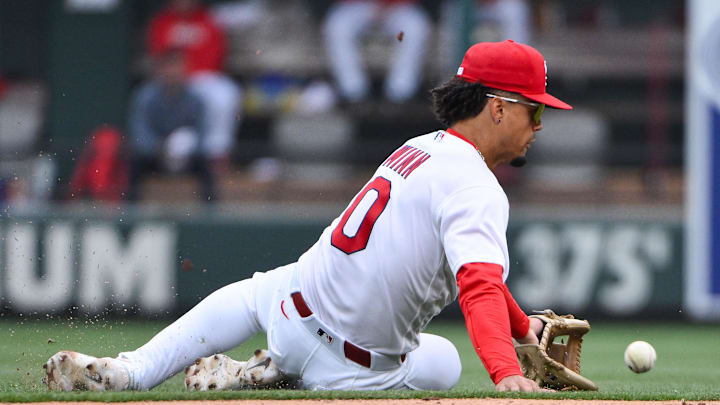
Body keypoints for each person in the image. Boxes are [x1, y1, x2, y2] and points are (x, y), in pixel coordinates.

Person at [43, 40, 572, 392]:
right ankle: (276, 376)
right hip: (351, 370)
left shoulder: (424, 147)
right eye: (535, 109)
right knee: (445, 366)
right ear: (498, 107)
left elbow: (475, 272)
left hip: (287, 301)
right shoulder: (477, 186)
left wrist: (523, 330)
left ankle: (136, 370)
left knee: (264, 293)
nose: (540, 123)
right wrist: (507, 374)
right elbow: (478, 284)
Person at [148, 0, 242, 175]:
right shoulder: (163, 21)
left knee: (225, 94)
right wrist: (176, 74)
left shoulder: (209, 19)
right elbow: (159, 55)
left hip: (202, 76)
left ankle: (217, 155)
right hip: (171, 79)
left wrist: (191, 72)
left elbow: (216, 54)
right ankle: (168, 161)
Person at [127, 49, 216, 202]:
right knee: (135, 163)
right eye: (168, 68)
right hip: (155, 155)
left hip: (187, 156)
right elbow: (140, 134)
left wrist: (187, 146)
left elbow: (203, 133)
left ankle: (211, 215)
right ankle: (130, 210)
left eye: (177, 68)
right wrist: (162, 147)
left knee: (206, 167)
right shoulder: (145, 96)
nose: (173, 73)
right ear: (159, 71)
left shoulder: (196, 98)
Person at [323, 0, 431, 103]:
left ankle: (401, 92)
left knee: (413, 29)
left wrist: (387, 5)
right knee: (339, 27)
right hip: (357, 7)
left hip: (397, 9)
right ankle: (353, 91)